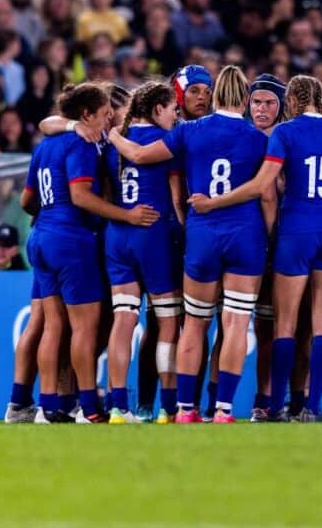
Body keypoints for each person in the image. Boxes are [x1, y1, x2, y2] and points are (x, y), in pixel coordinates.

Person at [190, 75, 322, 421]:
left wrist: (214, 202)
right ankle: (312, 406)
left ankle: (274, 404)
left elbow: (261, 186)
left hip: (296, 232)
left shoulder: (285, 133)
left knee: (285, 325)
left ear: (292, 102)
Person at [109, 66, 275, 423]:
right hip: (245, 237)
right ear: (246, 100)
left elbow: (139, 156)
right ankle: (223, 409)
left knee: (194, 324)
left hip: (201, 237)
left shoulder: (187, 132)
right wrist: (272, 237)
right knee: (234, 324)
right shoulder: (261, 140)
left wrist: (114, 136)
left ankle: (184, 409)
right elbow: (267, 197)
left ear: (214, 97)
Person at [20, 83, 158, 425]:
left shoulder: (46, 145)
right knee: (85, 328)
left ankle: (45, 406)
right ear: (87, 114)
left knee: (52, 325)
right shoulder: (83, 144)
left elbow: (26, 201)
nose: (109, 120)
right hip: (74, 240)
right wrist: (125, 215)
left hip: (41, 235)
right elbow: (81, 196)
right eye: (105, 114)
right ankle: (89, 407)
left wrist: (51, 211)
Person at [99, 82, 183, 425]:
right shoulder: (168, 143)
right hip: (155, 234)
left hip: (118, 236)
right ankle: (168, 407)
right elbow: (177, 199)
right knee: (167, 322)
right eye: (172, 109)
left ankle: (118, 407)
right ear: (157, 109)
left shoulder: (113, 144)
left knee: (124, 319)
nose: (176, 115)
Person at [246, 72, 286, 421]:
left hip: (280, 243)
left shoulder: (286, 139)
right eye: (256, 102)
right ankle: (264, 398)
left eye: (269, 103)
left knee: (280, 327)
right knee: (263, 327)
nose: (261, 109)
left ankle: (278, 398)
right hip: (248, 242)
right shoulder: (242, 137)